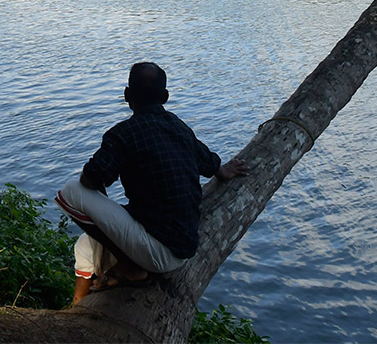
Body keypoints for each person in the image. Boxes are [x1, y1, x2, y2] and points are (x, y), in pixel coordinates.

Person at [55, 62, 249, 303]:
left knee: (69, 191)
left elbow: (90, 179)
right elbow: (209, 163)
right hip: (185, 244)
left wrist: (102, 206)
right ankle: (77, 306)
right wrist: (224, 170)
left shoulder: (123, 134)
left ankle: (130, 268)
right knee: (85, 245)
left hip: (157, 250)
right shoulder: (178, 127)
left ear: (127, 95)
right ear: (165, 97)